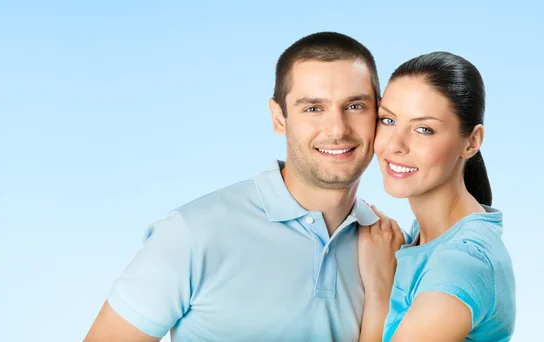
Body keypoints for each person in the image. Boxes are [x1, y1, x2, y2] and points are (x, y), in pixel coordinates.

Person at [84, 31, 400, 342]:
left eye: (355, 106)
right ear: (279, 118)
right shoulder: (190, 236)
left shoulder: (392, 248)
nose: (337, 129)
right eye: (313, 108)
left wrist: (381, 293)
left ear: (381, 113)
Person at [357, 52, 516, 341]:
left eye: (423, 129)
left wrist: (380, 288)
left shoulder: (461, 262)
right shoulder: (430, 233)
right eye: (388, 120)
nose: (395, 145)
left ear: (471, 142)